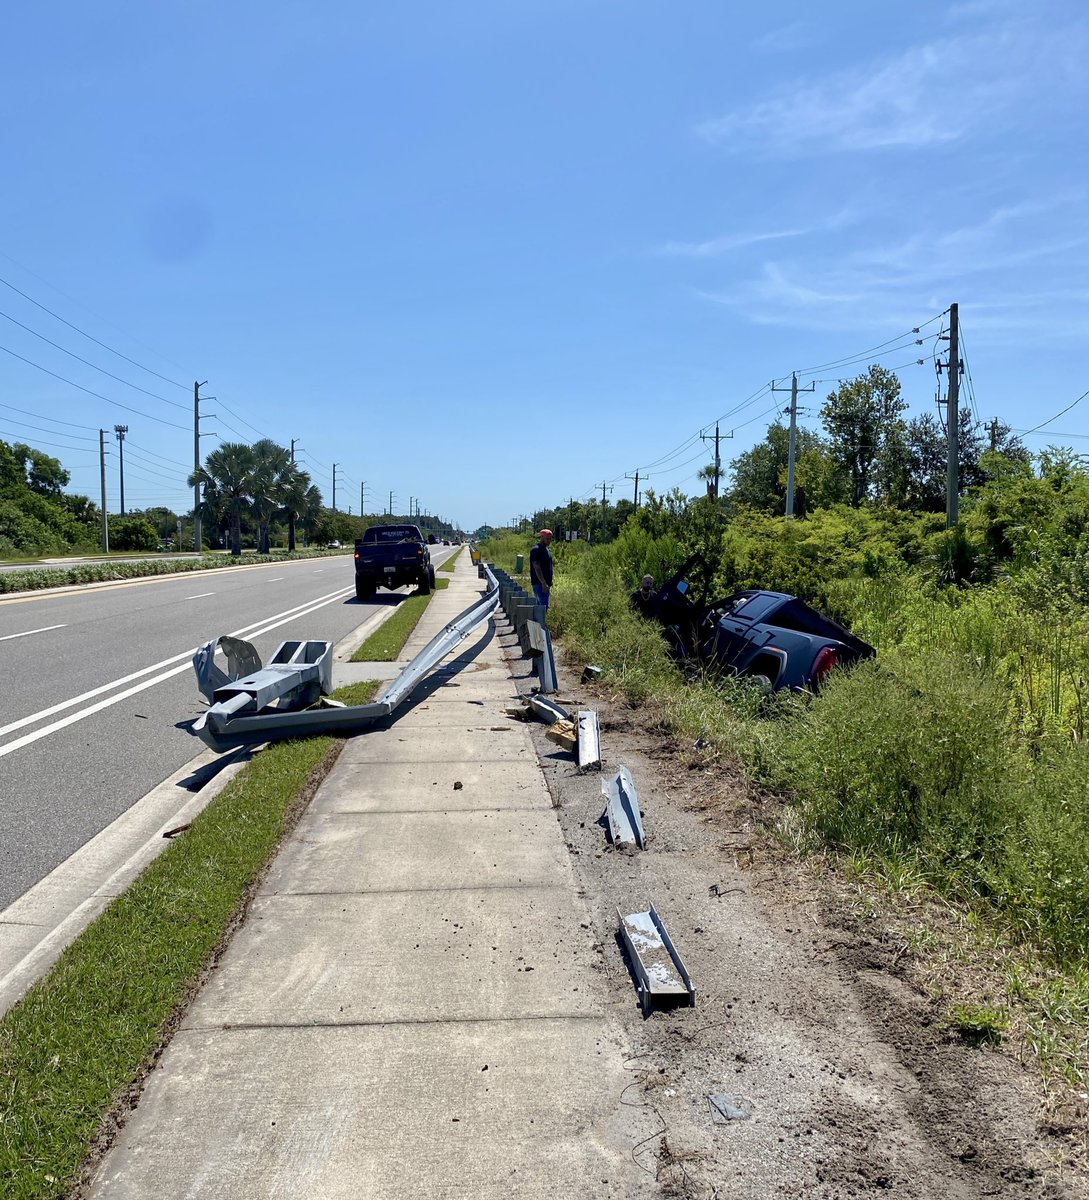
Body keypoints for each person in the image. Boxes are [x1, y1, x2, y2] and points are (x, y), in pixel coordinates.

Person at [529, 528, 554, 617]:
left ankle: (538, 627)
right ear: (542, 537)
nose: (549, 541)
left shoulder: (547, 551)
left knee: (541, 607)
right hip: (540, 584)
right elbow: (537, 567)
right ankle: (540, 627)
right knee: (543, 608)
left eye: (550, 539)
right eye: (547, 538)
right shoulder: (537, 550)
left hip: (546, 584)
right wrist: (543, 583)